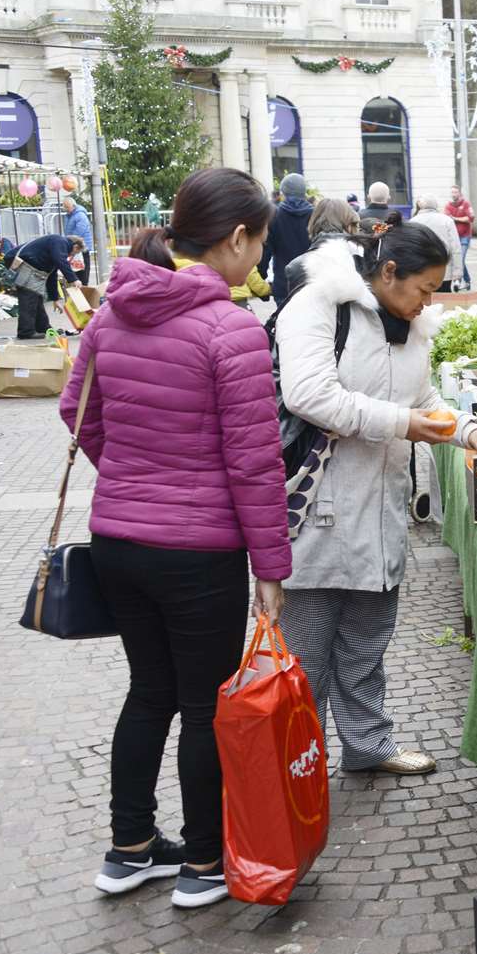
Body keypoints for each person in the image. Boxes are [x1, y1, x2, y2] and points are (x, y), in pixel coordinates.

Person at [61, 167, 289, 909]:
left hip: (118, 540)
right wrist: (271, 565)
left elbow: (77, 411)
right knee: (205, 703)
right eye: (256, 243)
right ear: (236, 237)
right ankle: (200, 863)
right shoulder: (233, 329)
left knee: (149, 691)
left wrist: (130, 474)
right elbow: (254, 462)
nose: (257, 258)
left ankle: (129, 849)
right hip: (198, 553)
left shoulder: (111, 312)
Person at [275, 223, 477, 775]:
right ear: (389, 272)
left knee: (367, 642)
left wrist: (466, 429)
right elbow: (308, 395)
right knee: (307, 651)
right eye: (424, 289)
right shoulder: (320, 308)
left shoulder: (411, 325)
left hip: (381, 507)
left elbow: (421, 397)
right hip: (316, 507)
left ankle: (368, 746)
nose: (428, 302)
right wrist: (402, 423)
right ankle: (299, 764)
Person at [11, 233, 85, 338]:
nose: (71, 256)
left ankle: (43, 328)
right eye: (74, 253)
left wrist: (55, 299)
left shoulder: (56, 248)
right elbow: (61, 261)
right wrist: (74, 279)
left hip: (32, 270)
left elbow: (52, 275)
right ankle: (26, 332)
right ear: (76, 246)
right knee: (29, 300)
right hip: (28, 270)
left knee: (36, 300)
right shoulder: (60, 242)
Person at [260, 173, 315, 307]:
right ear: (304, 192)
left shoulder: (274, 216)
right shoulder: (315, 215)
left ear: (283, 192)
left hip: (284, 283)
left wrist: (261, 276)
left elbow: (266, 250)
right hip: (312, 282)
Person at [412, 195, 463, 286]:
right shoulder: (447, 220)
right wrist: (457, 272)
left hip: (421, 271)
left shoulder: (413, 222)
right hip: (444, 272)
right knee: (444, 298)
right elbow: (456, 248)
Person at [445, 186, 474, 270]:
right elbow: (447, 219)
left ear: (460, 193)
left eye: (455, 192)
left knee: (461, 260)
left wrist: (455, 218)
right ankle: (466, 280)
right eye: (452, 192)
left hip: (465, 236)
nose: (453, 194)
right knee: (457, 261)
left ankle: (460, 280)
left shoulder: (466, 204)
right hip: (453, 237)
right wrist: (462, 219)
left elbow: (470, 218)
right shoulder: (448, 205)